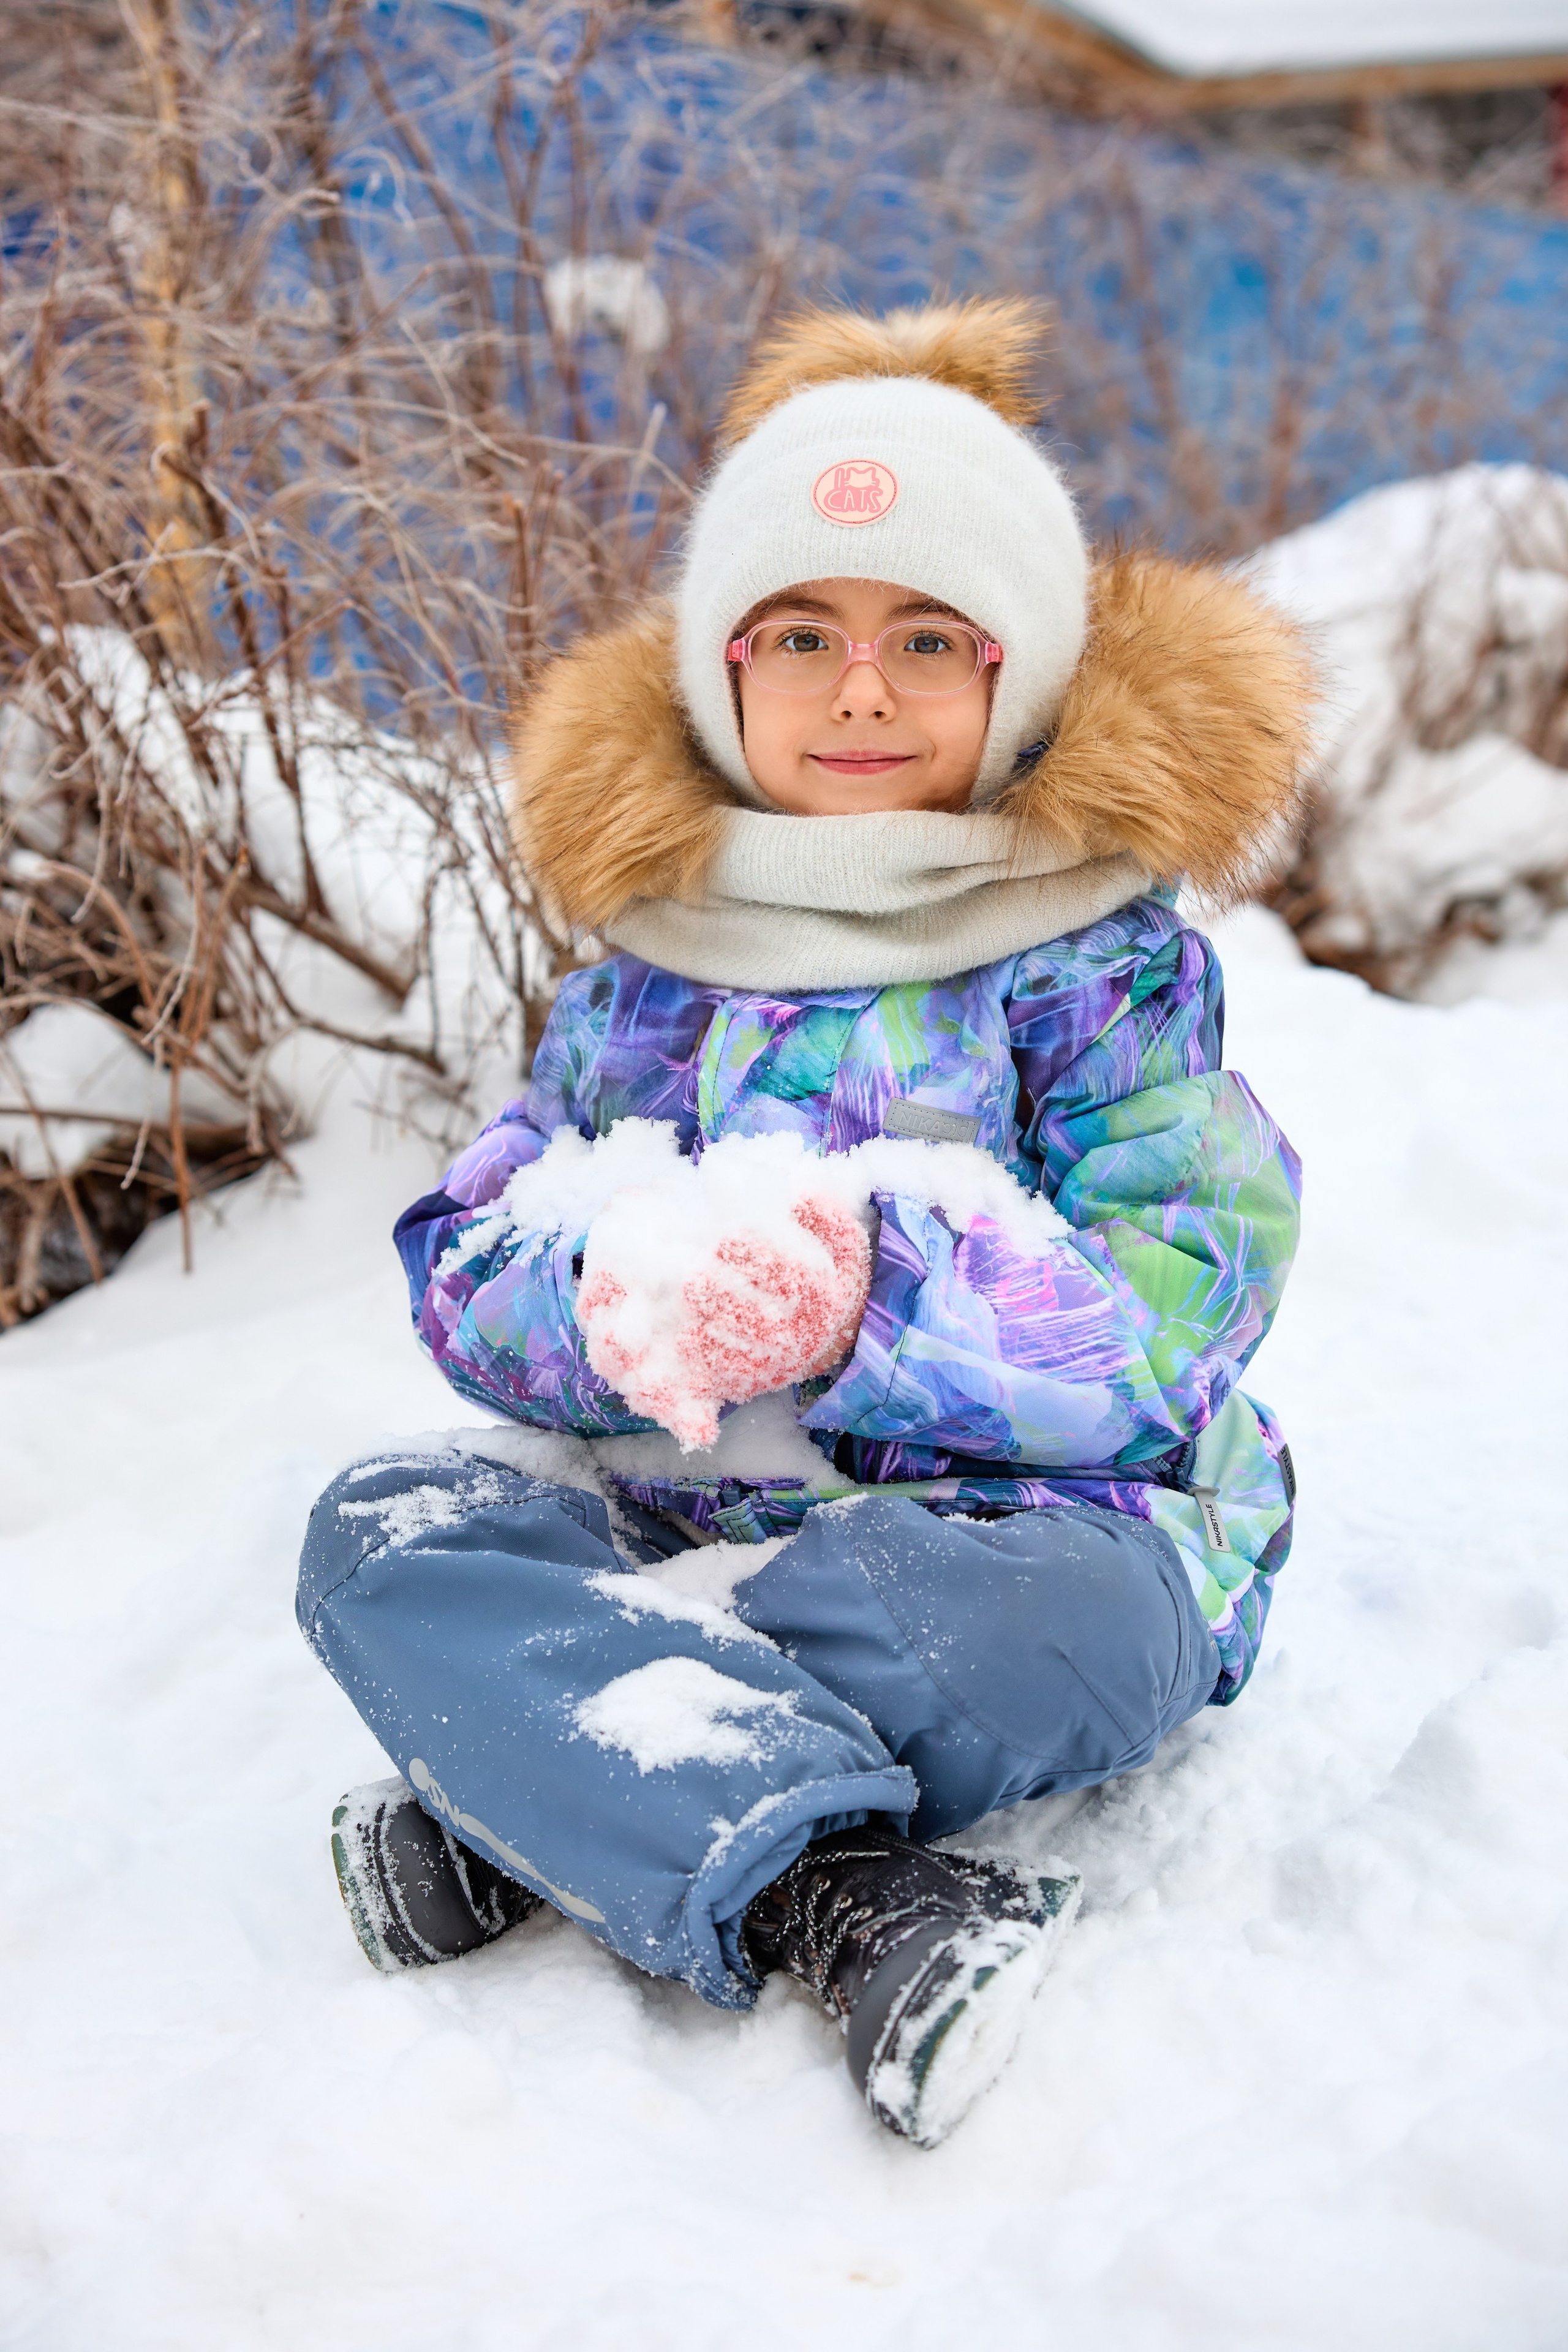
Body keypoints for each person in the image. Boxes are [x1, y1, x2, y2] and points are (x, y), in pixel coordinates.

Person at [297, 299, 1310, 2149]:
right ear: (717, 674)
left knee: (1063, 1626)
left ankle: (555, 1772)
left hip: (1005, 1543)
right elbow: (471, 1248)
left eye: (932, 639)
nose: (864, 690)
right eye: (805, 637)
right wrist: (592, 1290)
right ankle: (823, 1883)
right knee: (383, 1532)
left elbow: (1186, 1306)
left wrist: (874, 1299)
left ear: (1024, 676)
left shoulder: (1098, 963)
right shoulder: (652, 972)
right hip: (680, 1512)